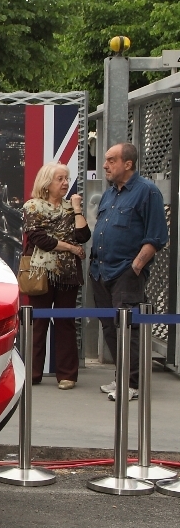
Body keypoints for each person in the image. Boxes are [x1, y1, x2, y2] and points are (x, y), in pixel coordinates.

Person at [89, 142, 168, 402]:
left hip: (125, 272)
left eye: (111, 160)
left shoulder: (148, 192)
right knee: (110, 328)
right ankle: (121, 375)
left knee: (128, 328)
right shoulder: (111, 193)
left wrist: (135, 267)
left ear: (128, 164)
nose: (105, 165)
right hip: (100, 271)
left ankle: (132, 383)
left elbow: (156, 236)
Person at [21, 163, 90, 389]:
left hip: (67, 274)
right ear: (46, 183)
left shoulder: (71, 209)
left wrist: (78, 209)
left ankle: (67, 375)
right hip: (40, 272)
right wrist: (69, 248)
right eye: (59, 179)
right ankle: (31, 373)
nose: (65, 183)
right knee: (38, 323)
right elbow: (40, 240)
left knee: (66, 323)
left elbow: (82, 235)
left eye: (67, 179)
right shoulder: (32, 207)